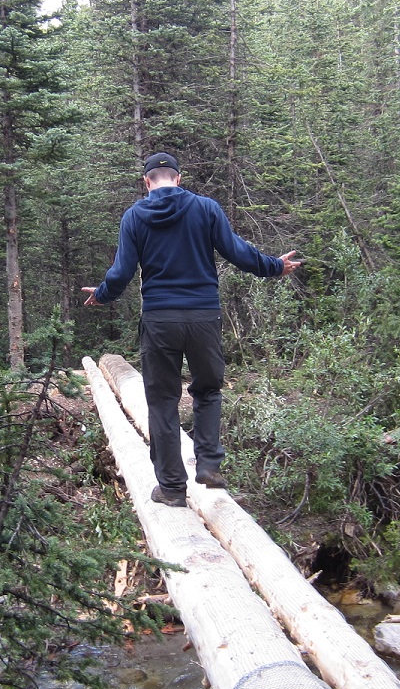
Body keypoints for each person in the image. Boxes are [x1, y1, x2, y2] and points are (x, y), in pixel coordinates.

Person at [83, 151, 302, 507]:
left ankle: (171, 489)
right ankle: (209, 465)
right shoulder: (206, 208)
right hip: (204, 316)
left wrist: (103, 293)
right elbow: (238, 252)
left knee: (163, 402)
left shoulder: (134, 216)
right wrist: (274, 266)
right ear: (178, 178)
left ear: (147, 182)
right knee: (208, 390)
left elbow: (122, 272)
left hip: (160, 319)